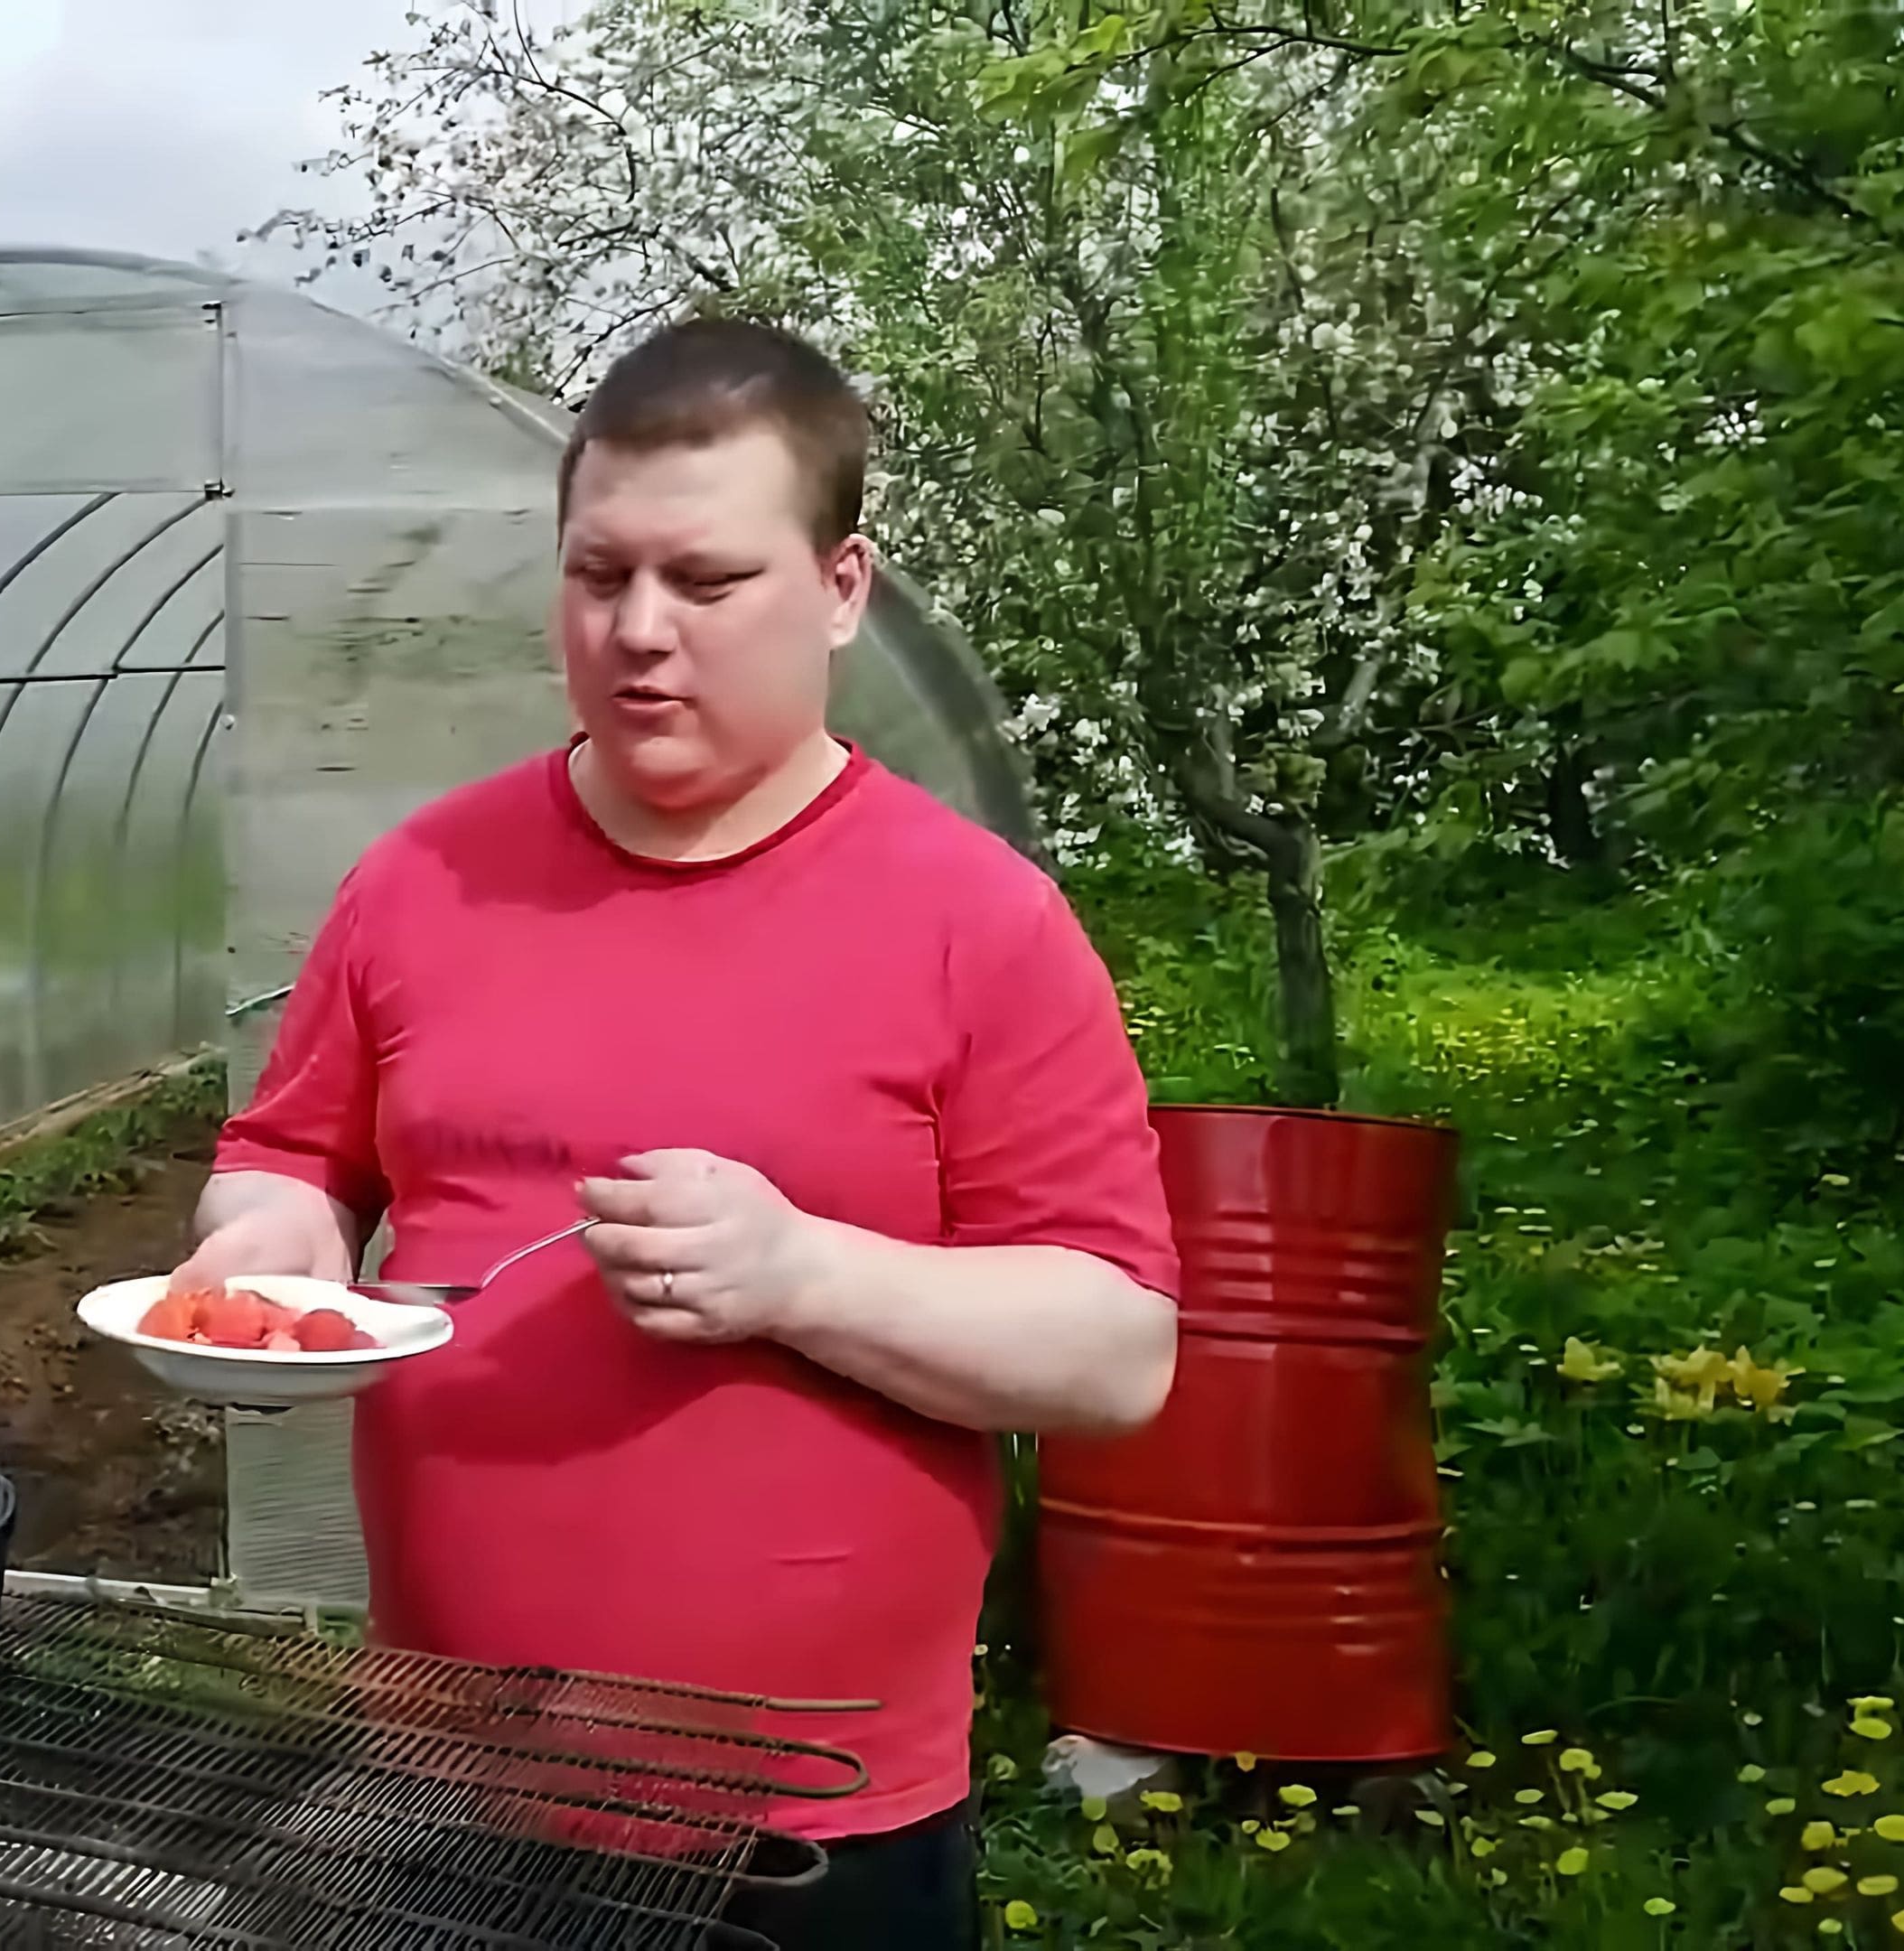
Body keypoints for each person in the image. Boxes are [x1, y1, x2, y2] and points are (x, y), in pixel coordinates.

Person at [169, 316, 1182, 1950]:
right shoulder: (422, 881)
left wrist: (801, 1275)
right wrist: (266, 1242)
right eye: (598, 576)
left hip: (813, 1818)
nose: (639, 631)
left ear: (839, 589)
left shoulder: (976, 924)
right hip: (447, 1775)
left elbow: (1118, 1353)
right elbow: (292, 1157)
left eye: (707, 582)